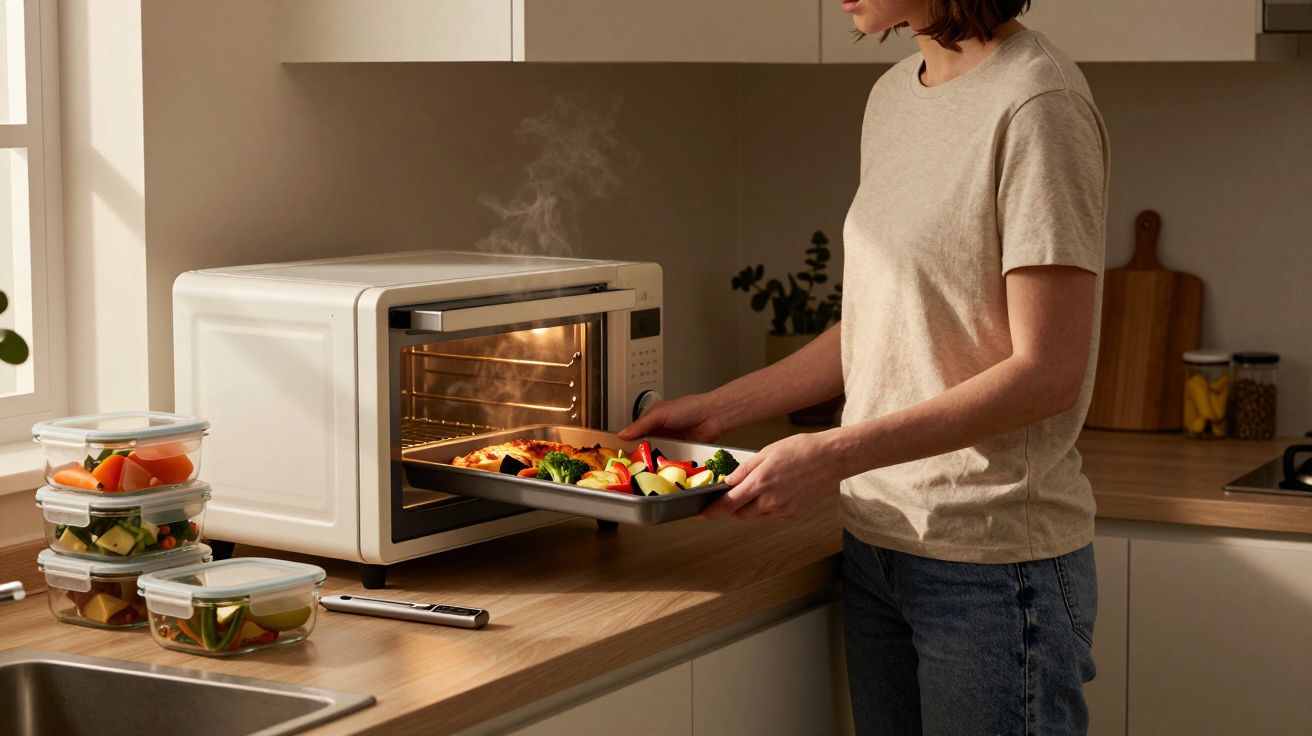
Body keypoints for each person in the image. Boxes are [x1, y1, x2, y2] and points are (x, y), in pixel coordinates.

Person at [620, 1, 1108, 733]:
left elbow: (1047, 371)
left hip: (992, 569)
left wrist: (833, 455)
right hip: (879, 548)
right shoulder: (891, 98)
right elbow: (886, 323)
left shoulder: (1039, 103)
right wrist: (720, 410)